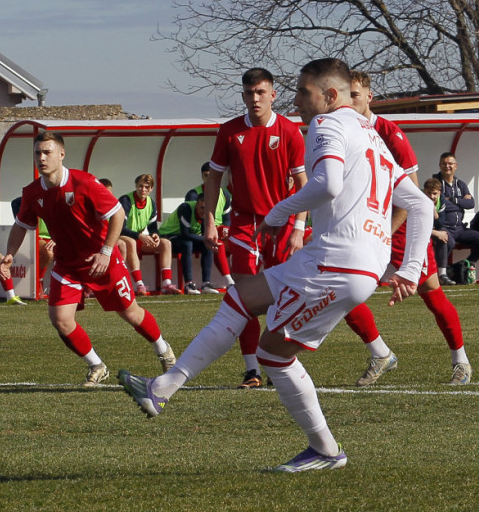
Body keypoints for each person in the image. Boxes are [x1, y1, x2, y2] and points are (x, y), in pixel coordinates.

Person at [119, 58, 433, 472]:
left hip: (336, 263)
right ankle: (161, 388)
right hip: (350, 263)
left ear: (330, 95)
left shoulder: (327, 125)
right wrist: (409, 268)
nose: (297, 100)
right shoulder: (370, 135)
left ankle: (326, 451)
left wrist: (278, 213)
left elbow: (327, 184)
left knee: (274, 356)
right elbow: (420, 205)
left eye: (303, 91)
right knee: (240, 298)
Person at [0, 131, 176, 386]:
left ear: (62, 154)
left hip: (101, 260)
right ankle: (97, 365)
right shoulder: (32, 192)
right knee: (60, 320)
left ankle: (163, 349)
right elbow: (21, 225)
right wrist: (9, 254)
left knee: (131, 314)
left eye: (47, 152)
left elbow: (117, 215)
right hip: (67, 264)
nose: (41, 158)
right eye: (37, 153)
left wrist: (106, 251)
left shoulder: (84, 182)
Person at [344, 71, 472, 386]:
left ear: (369, 97)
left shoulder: (390, 134)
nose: (349, 101)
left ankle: (461, 362)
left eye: (355, 95)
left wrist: (384, 232)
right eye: (345, 95)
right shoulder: (343, 131)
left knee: (433, 296)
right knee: (342, 291)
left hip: (399, 232)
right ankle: (380, 353)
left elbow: (412, 197)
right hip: (364, 229)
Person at [202, 67, 308, 389]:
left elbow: (303, 183)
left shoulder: (290, 131)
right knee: (244, 293)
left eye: (261, 92)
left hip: (282, 221)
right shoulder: (229, 131)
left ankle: (278, 362)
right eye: (249, 93)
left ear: (273, 95)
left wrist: (299, 227)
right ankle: (252, 371)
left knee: (283, 295)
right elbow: (214, 178)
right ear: (243, 96)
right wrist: (210, 220)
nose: (255, 99)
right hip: (245, 222)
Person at [117, 174, 181, 295]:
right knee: (131, 242)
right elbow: (120, 228)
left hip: (138, 238)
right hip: (122, 236)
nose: (143, 189)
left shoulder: (151, 203)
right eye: (140, 186)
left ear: (151, 189)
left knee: (166, 243)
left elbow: (152, 228)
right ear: (136, 186)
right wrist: (140, 236)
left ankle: (166, 283)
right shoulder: (126, 200)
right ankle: (139, 285)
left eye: (147, 187)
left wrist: (155, 235)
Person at [431, 152, 479, 285]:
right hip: (443, 227)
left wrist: (452, 199)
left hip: (459, 228)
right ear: (439, 165)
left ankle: (464, 266)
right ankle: (440, 274)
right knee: (448, 242)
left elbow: (471, 204)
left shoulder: (460, 184)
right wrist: (460, 201)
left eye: (450, 163)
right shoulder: (435, 183)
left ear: (456, 166)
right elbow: (442, 204)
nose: (447, 166)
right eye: (444, 163)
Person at [184, 162, 235, 290]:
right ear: (202, 176)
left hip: (219, 229)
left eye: (212, 175)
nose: (209, 179)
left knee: (239, 241)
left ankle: (244, 277)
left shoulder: (224, 194)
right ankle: (229, 281)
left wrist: (225, 230)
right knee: (217, 243)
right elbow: (194, 218)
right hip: (201, 230)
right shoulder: (193, 194)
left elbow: (227, 219)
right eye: (206, 175)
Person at [158, 195, 217, 294]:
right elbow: (185, 234)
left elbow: (204, 233)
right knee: (187, 244)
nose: (204, 211)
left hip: (185, 238)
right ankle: (188, 284)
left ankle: (206, 284)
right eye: (202, 208)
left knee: (207, 246)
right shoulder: (186, 208)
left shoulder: (208, 214)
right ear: (196, 205)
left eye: (207, 208)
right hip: (169, 236)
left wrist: (209, 240)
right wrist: (206, 239)